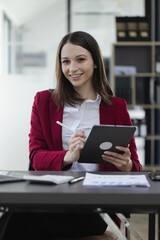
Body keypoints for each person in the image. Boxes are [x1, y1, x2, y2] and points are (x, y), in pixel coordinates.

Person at [3, 31, 142, 240]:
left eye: (80, 59)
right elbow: (36, 157)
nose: (72, 68)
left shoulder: (116, 107)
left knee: (16, 219)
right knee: (18, 215)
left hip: (94, 205)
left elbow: (136, 167)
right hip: (53, 200)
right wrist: (68, 156)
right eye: (65, 61)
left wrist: (127, 166)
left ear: (95, 62)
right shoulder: (44, 102)